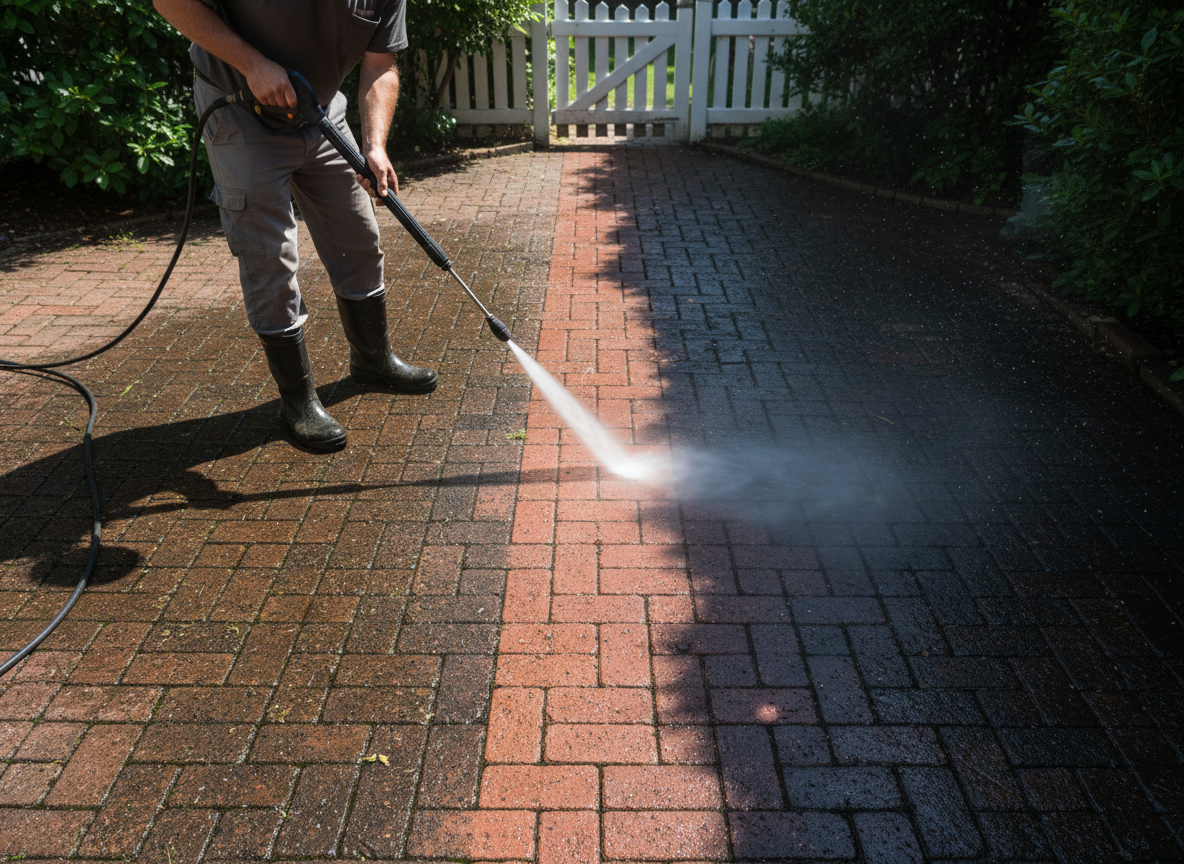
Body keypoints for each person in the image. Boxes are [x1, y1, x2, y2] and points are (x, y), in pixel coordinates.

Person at [153, 0, 438, 453]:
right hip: (241, 111)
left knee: (358, 237)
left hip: (321, 110)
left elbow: (381, 64)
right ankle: (298, 401)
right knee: (270, 257)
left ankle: (373, 360)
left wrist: (375, 146)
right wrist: (253, 64)